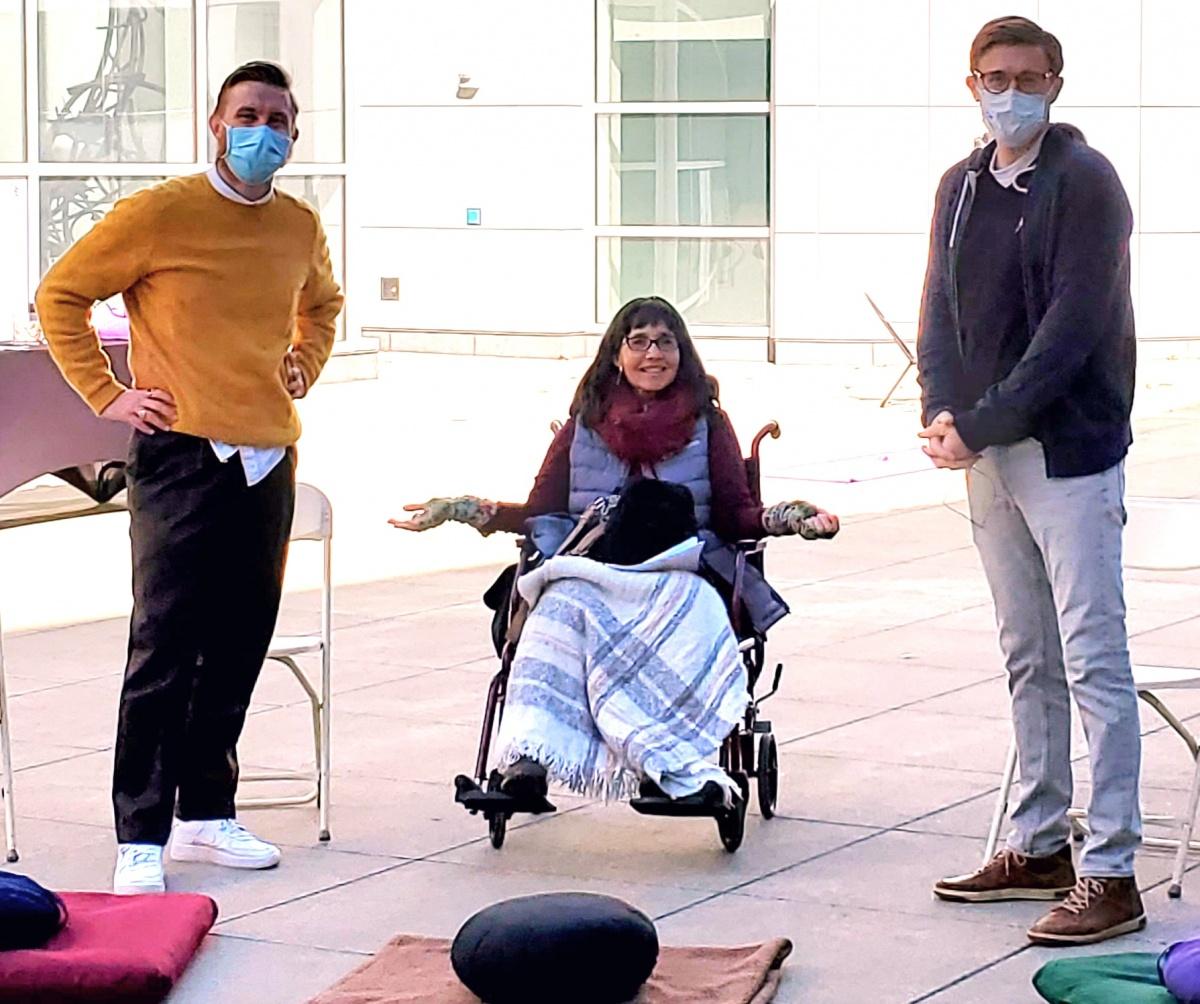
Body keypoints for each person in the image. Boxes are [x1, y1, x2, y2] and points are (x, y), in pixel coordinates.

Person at [35, 61, 344, 895]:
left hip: (268, 455)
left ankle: (208, 814)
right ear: (215, 125)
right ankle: (141, 832)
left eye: (279, 120)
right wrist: (109, 394)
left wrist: (304, 362)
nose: (263, 132)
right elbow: (60, 295)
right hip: (179, 454)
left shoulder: (297, 226)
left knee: (240, 642)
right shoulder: (159, 214)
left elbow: (323, 304)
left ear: (294, 136)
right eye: (248, 115)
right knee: (164, 645)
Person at [393, 296, 838, 801]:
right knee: (553, 612)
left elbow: (737, 514)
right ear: (616, 354)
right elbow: (541, 509)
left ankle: (674, 769)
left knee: (689, 617)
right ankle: (526, 766)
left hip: (682, 568)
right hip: (594, 568)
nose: (654, 353)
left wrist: (792, 518)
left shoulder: (708, 424)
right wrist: (463, 508)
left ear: (682, 352)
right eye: (640, 341)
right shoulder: (585, 424)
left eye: (666, 341)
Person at [916, 17, 1141, 945]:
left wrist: (987, 421)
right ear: (971, 84)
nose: (1011, 91)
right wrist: (942, 409)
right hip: (984, 454)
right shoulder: (961, 188)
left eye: (1028, 76)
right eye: (994, 76)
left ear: (1056, 80)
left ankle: (1113, 867)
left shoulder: (1086, 184)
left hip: (1066, 452)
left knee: (1093, 658)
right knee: (1027, 656)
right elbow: (938, 305)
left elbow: (1071, 328)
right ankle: (1039, 842)